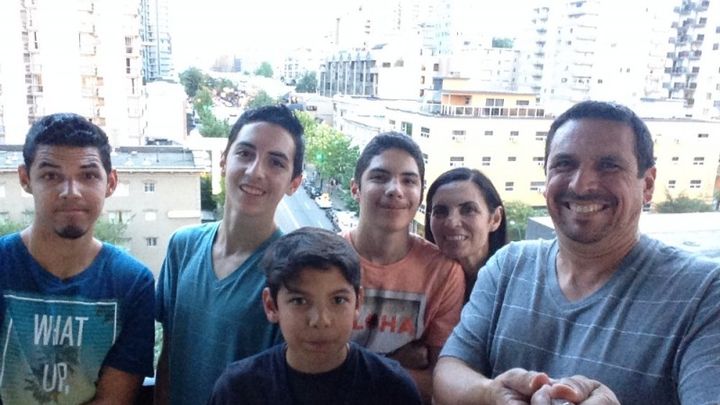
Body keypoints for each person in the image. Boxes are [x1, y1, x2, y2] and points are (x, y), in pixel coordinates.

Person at [433, 101, 720, 404]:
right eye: (564, 164)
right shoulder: (507, 266)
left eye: (609, 165)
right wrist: (491, 394)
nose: (581, 185)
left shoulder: (703, 292)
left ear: (647, 185)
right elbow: (449, 371)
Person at [0, 113, 155, 404]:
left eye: (88, 175)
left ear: (110, 183)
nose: (71, 192)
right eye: (51, 176)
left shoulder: (132, 282)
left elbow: (113, 399)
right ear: (25, 179)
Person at [155, 104, 305, 405]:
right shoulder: (182, 247)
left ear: (294, 183)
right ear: (224, 160)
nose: (255, 171)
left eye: (276, 162)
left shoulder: (291, 273)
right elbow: (170, 353)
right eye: (245, 153)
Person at [207, 227, 422, 405]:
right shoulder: (238, 390)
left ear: (358, 302)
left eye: (338, 300)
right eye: (299, 301)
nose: (320, 320)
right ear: (271, 305)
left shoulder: (392, 388)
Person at [344, 132, 465, 402]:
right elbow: (307, 366)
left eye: (408, 180)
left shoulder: (443, 273)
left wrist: (346, 366)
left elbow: (439, 383)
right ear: (355, 189)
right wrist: (394, 363)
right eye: (379, 177)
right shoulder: (324, 260)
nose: (395, 189)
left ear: (420, 194)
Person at [424, 168, 506, 300]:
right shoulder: (421, 280)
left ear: (495, 219)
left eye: (468, 210)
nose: (452, 223)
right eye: (440, 211)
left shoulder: (513, 283)